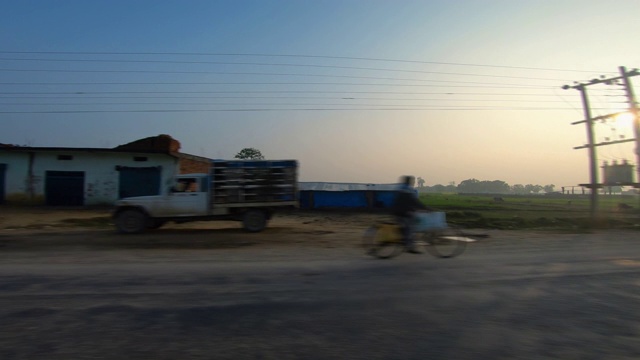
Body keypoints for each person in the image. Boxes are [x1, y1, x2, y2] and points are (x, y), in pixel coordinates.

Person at [391, 175, 428, 253]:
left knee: (403, 227)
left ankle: (403, 239)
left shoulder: (400, 188)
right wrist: (425, 208)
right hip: (403, 212)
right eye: (413, 181)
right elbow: (414, 201)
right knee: (411, 228)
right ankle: (410, 247)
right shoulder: (408, 189)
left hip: (395, 211)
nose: (413, 183)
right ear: (410, 182)